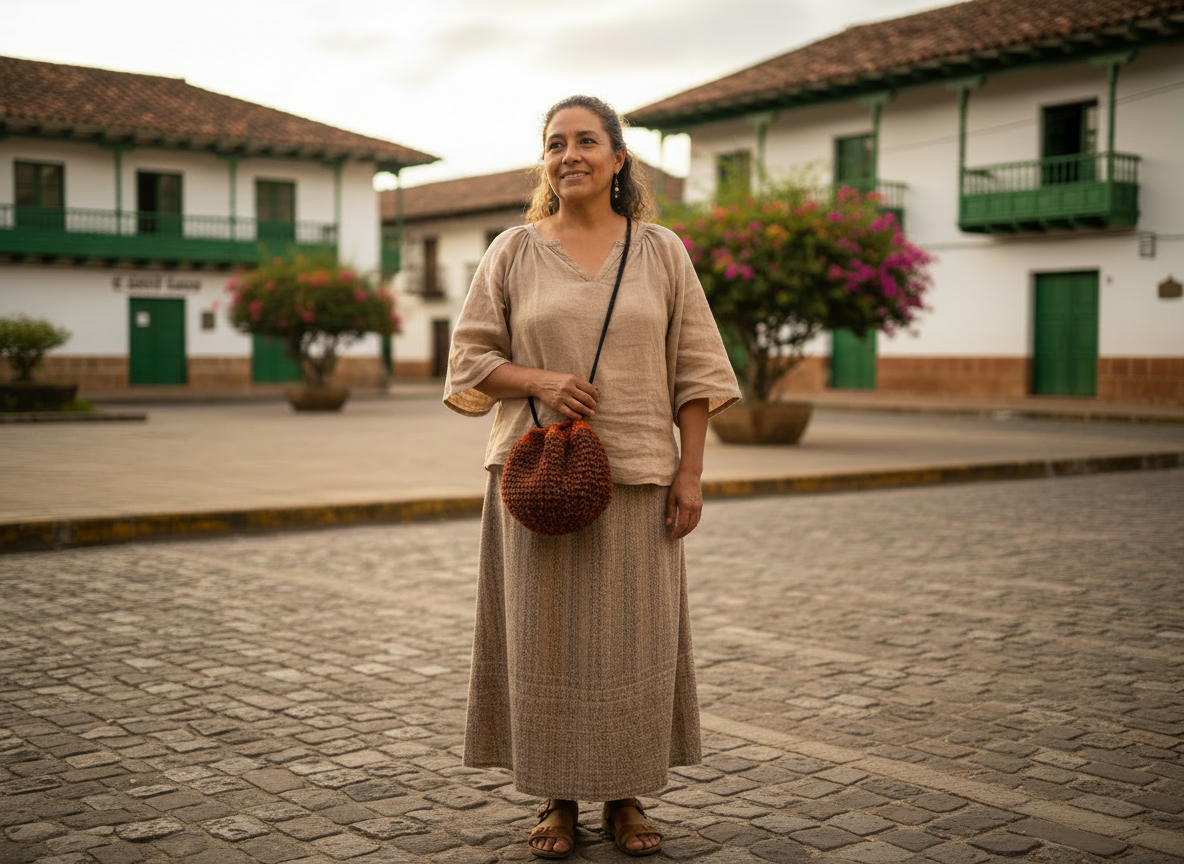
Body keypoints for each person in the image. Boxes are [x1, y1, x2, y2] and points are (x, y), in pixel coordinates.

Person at [444, 95, 740, 858]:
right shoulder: (511, 251)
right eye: (554, 144)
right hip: (536, 482)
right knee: (542, 646)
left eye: (584, 141)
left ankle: (627, 795)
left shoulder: (662, 251)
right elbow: (470, 361)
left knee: (632, 647)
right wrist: (539, 378)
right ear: (545, 162)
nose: (568, 154)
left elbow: (698, 369)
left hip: (639, 477)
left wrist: (692, 475)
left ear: (617, 157)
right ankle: (555, 799)